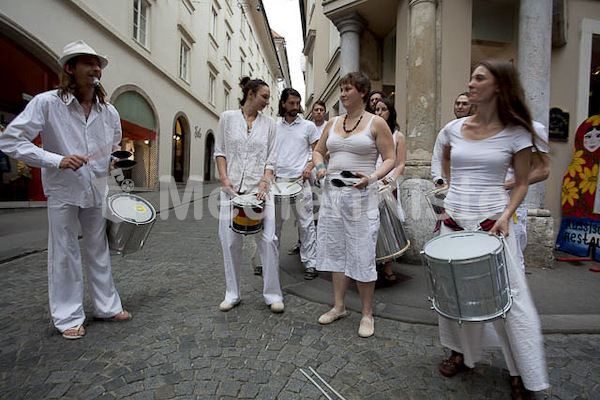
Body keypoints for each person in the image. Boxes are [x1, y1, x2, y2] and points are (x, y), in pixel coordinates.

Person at [0, 40, 131, 340]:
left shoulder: (108, 111)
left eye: (98, 63)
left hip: (96, 189)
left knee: (99, 249)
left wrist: (110, 161)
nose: (96, 68)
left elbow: (113, 145)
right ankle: (68, 316)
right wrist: (55, 160)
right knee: (65, 251)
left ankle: (107, 306)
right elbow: (10, 141)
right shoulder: (46, 103)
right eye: (88, 62)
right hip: (63, 190)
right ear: (70, 68)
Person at [434, 60, 549, 399]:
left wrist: (505, 214)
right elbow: (445, 163)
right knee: (451, 292)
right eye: (471, 76)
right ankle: (459, 353)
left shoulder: (517, 133)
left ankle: (521, 371)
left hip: (493, 224)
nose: (471, 83)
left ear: (499, 86)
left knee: (508, 300)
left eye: (479, 78)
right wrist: (451, 196)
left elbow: (524, 183)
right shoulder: (452, 130)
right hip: (454, 221)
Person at [313, 71, 395, 338]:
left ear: (362, 92)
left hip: (361, 194)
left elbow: (390, 159)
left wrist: (371, 178)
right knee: (336, 249)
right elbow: (317, 150)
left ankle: (367, 313)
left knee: (362, 252)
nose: (343, 93)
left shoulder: (376, 123)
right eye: (341, 89)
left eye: (347, 88)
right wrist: (321, 166)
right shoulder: (333, 122)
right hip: (334, 193)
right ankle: (339, 306)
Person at [215, 77, 284, 314]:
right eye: (265, 96)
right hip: (231, 191)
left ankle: (273, 295)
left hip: (261, 191)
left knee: (267, 241)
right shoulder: (227, 118)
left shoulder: (270, 125)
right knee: (231, 242)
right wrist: (224, 179)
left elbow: (271, 158)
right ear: (251, 94)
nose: (267, 101)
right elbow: (220, 152)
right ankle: (232, 294)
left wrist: (265, 182)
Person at [273, 88, 320, 280]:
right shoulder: (274, 126)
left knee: (306, 224)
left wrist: (309, 166)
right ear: (283, 104)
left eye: (297, 103)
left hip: (301, 182)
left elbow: (317, 152)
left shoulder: (308, 126)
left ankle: (311, 263)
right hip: (277, 183)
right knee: (274, 225)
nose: (295, 107)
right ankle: (270, 260)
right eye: (291, 103)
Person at [504, 121, 550, 270]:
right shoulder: (487, 126)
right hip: (482, 203)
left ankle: (515, 293)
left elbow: (542, 170)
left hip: (512, 203)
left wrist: (509, 183)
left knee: (512, 260)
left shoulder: (533, 128)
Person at [373, 97, 406, 282]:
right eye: (376, 109)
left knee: (390, 224)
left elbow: (400, 164)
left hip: (388, 184)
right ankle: (372, 263)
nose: (379, 113)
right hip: (371, 181)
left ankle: (388, 266)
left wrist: (391, 178)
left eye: (383, 109)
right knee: (372, 225)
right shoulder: (370, 131)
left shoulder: (398, 136)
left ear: (390, 112)